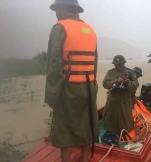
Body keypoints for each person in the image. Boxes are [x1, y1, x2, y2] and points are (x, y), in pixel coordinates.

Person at [44, 1, 99, 162]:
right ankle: (85, 159)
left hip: (67, 88)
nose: (55, 13)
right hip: (89, 86)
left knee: (64, 127)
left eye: (56, 10)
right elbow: (94, 63)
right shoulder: (91, 30)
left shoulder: (59, 28)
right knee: (86, 122)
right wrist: (93, 87)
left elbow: (54, 65)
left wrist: (51, 96)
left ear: (64, 9)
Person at [102, 55, 139, 135]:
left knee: (125, 121)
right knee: (111, 120)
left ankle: (126, 134)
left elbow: (135, 85)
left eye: (120, 64)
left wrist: (127, 82)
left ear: (123, 63)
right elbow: (105, 84)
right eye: (116, 64)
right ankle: (111, 133)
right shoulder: (110, 72)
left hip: (124, 101)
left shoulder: (130, 72)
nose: (118, 66)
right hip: (112, 100)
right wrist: (116, 81)